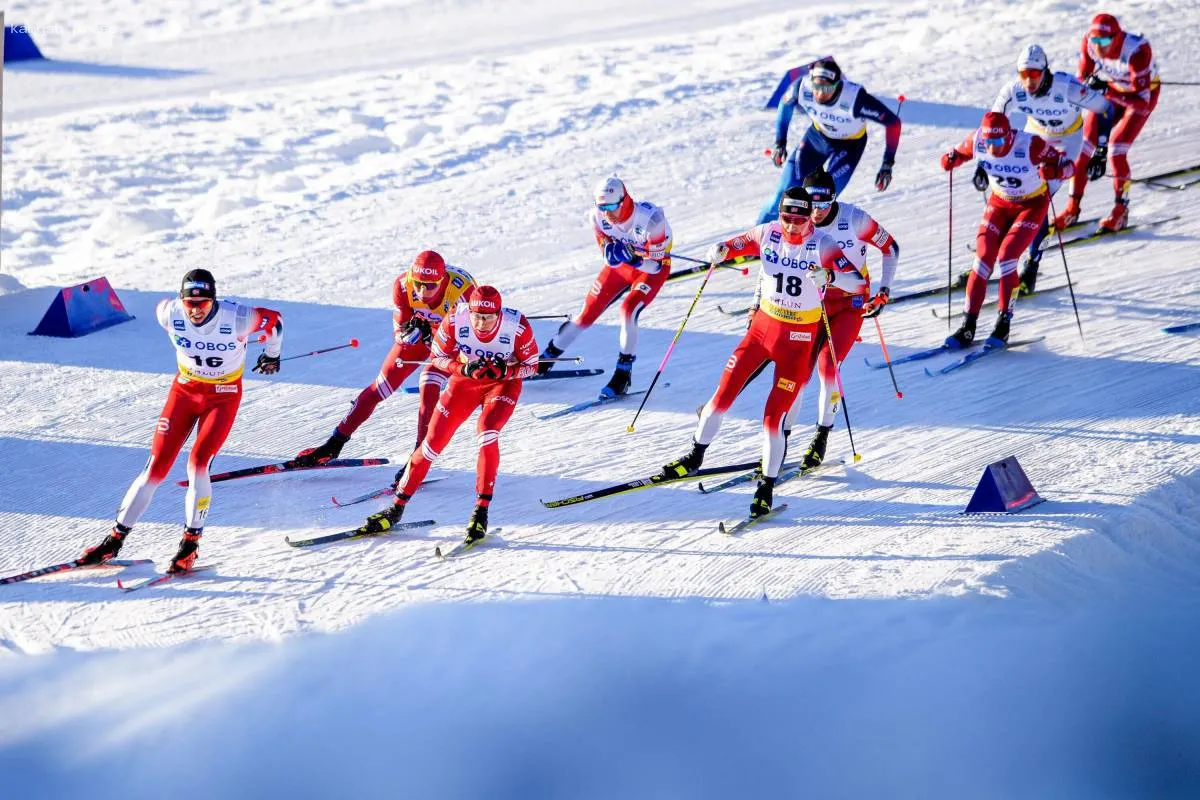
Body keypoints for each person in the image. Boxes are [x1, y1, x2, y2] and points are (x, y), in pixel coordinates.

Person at [659, 187, 855, 520]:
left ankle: (765, 487)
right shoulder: (768, 232)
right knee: (720, 397)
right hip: (760, 333)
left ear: (811, 217)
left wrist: (833, 276)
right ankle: (694, 456)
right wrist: (720, 250)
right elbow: (734, 245)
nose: (792, 227)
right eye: (787, 218)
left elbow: (857, 283)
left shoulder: (823, 244)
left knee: (772, 418)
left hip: (797, 341)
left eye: (800, 219)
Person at [78, 269, 283, 574]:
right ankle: (113, 541)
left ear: (213, 300)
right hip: (185, 392)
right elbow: (161, 307)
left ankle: (189, 544)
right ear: (181, 300)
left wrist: (271, 355)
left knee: (198, 464)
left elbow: (275, 322)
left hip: (223, 396)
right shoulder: (168, 312)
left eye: (202, 303)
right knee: (155, 466)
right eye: (190, 303)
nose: (196, 310)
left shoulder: (237, 318)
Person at [357, 285, 539, 548]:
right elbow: (437, 357)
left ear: (499, 315)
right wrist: (462, 366)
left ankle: (481, 511)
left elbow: (532, 366)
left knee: (487, 431)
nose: (481, 323)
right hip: (465, 381)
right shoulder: (456, 317)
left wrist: (505, 371)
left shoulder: (517, 326)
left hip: (502, 385)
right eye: (477, 316)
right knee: (431, 445)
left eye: (488, 318)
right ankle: (396, 508)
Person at [293, 250, 475, 486]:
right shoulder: (402, 284)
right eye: (419, 284)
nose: (423, 291)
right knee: (380, 386)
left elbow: (468, 340)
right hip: (423, 339)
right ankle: (333, 444)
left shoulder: (462, 291)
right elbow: (400, 333)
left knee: (428, 389)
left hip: (448, 343)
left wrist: (434, 333)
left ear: (442, 281)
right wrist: (411, 331)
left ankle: (417, 462)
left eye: (430, 286)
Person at [785, 170, 898, 469]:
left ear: (835, 199)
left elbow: (891, 248)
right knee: (797, 370)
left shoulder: (855, 220)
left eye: (825, 203)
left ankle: (821, 436)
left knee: (827, 365)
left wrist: (884, 290)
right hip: (813, 301)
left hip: (850, 302)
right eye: (813, 204)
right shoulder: (798, 223)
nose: (818, 211)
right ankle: (781, 438)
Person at [940, 111, 1074, 349]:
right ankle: (968, 327)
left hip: (1031, 205)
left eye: (998, 142)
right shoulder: (978, 139)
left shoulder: (1030, 145)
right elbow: (956, 154)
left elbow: (1067, 166)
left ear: (1009, 137)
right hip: (1000, 203)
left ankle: (1003, 325)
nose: (992, 148)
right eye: (989, 143)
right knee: (981, 260)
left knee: (1007, 257)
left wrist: (1053, 172)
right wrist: (950, 159)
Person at [991, 44, 1114, 294]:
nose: (1028, 81)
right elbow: (993, 123)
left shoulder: (1067, 88)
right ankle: (993, 253)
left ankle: (1031, 267)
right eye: (1023, 75)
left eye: (1034, 75)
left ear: (1045, 72)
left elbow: (1105, 109)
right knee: (1007, 190)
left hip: (1066, 141)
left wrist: (1101, 150)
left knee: (1039, 197)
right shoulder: (1014, 91)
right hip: (1035, 136)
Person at [538, 176, 673, 399]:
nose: (608, 213)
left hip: (649, 269)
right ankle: (548, 357)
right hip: (622, 268)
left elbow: (657, 267)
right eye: (602, 208)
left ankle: (623, 374)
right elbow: (607, 256)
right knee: (585, 314)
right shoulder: (597, 217)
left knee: (628, 311)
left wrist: (635, 260)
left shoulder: (652, 220)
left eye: (611, 207)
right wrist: (614, 254)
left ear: (624, 201)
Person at [758, 57, 902, 224]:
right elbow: (785, 104)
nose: (820, 93)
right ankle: (755, 243)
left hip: (849, 146)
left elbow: (893, 123)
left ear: (838, 85)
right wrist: (780, 142)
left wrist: (887, 164)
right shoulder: (801, 86)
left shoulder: (855, 98)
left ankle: (803, 246)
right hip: (817, 139)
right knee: (783, 194)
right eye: (817, 87)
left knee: (821, 205)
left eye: (827, 88)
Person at [1054, 12, 1159, 233]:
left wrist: (1107, 90)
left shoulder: (1137, 52)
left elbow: (1141, 103)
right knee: (1084, 149)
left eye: (1104, 41)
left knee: (1116, 150)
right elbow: (1082, 78)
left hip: (1139, 96)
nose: (1099, 46)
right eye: (1095, 40)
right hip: (1111, 95)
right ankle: (1072, 209)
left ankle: (1121, 212)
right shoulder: (1089, 44)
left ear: (1117, 37)